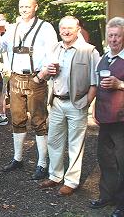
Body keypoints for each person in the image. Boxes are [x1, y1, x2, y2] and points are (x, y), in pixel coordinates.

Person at [0, 0, 58, 180]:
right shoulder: (12, 28)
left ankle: (42, 163)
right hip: (15, 78)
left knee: (38, 121)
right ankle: (17, 158)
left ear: (36, 7)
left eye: (27, 6)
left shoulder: (46, 28)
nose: (24, 9)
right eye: (21, 6)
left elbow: (53, 55)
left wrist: (41, 76)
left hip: (35, 78)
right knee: (17, 119)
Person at [38, 16, 99, 196]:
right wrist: (46, 72)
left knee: (75, 144)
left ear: (78, 29)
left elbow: (95, 83)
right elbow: (44, 73)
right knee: (54, 141)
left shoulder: (89, 51)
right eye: (63, 28)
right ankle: (55, 175)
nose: (66, 31)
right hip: (56, 102)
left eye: (70, 28)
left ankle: (71, 181)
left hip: (77, 103)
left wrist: (86, 102)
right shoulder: (55, 48)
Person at [90, 17, 124, 217]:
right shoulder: (104, 58)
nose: (113, 39)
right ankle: (107, 195)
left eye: (117, 36)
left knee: (123, 162)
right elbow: (97, 87)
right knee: (106, 159)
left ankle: (122, 203)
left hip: (122, 120)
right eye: (111, 35)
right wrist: (94, 107)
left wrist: (119, 84)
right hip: (105, 118)